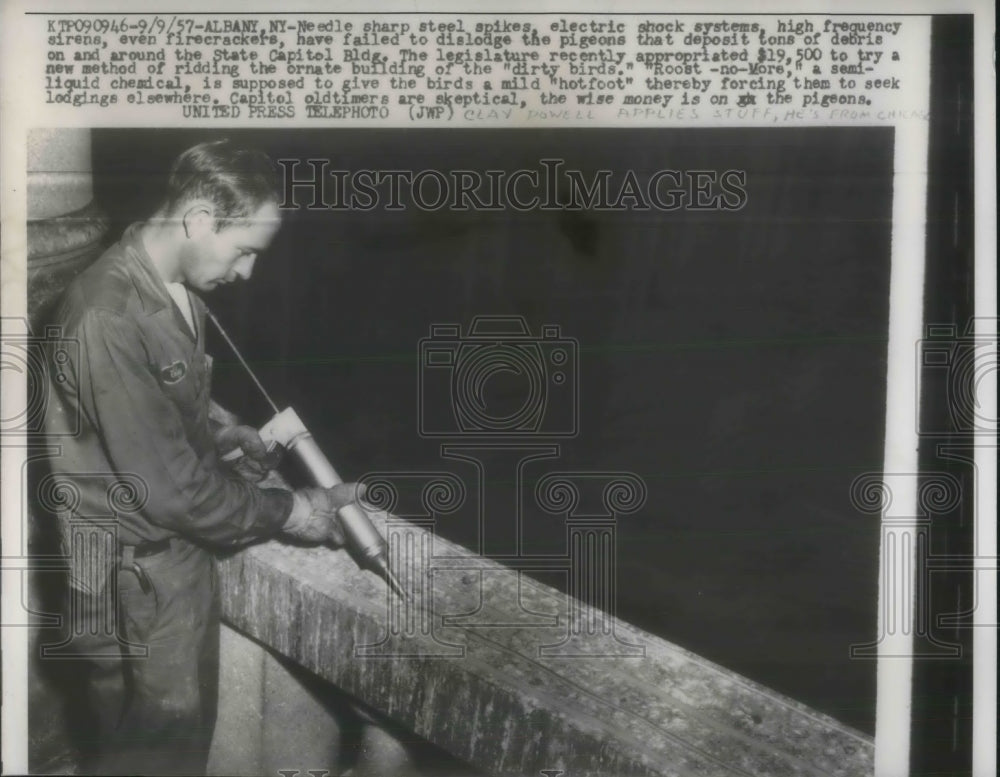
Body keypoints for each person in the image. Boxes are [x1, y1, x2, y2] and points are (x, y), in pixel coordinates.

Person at [43, 139, 361, 775]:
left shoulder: (159, 282)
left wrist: (220, 434)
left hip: (121, 565)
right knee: (163, 753)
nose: (247, 272)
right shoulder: (110, 312)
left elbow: (133, 422)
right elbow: (177, 495)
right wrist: (294, 510)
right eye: (244, 250)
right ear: (197, 220)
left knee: (124, 744)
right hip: (147, 577)